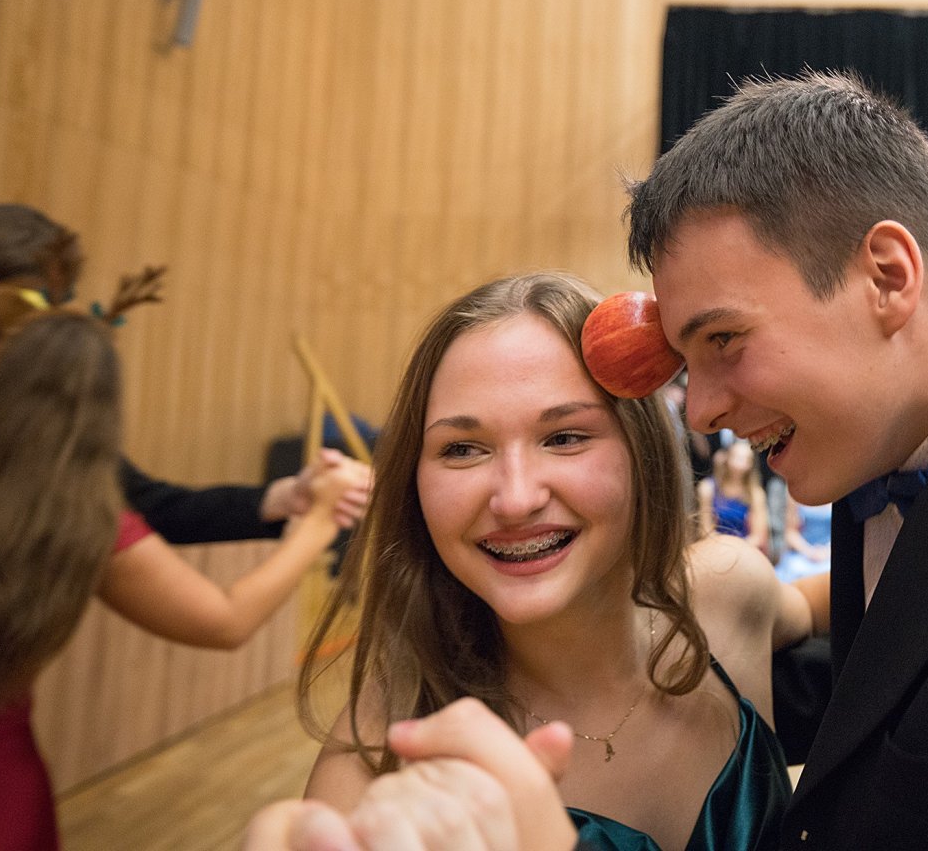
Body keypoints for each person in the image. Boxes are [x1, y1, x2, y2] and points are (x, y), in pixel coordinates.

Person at [249, 73, 928, 850]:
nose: (704, 409)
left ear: (887, 276)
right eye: (461, 447)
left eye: (724, 342)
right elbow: (915, 666)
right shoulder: (889, 431)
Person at [296, 273, 826, 851]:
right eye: (463, 449)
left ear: (642, 452)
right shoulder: (377, 765)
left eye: (565, 437)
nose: (515, 499)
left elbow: (845, 600)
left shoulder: (729, 591)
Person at [0, 296, 358, 851]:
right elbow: (224, 621)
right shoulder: (73, 518)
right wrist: (320, 524)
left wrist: (288, 497)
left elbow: (159, 503)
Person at [0, 203, 371, 542]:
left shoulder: (41, 418)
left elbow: (152, 507)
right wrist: (315, 527)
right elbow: (216, 607)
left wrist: (286, 497)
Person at [697, 439, 770, 554]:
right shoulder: (707, 488)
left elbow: (758, 536)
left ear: (751, 464)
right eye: (737, 457)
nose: (741, 463)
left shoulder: (756, 494)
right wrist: (726, 549)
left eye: (746, 459)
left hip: (744, 550)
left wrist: (735, 550)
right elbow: (704, 531)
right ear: (727, 458)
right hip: (714, 549)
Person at [774, 494, 831, 583]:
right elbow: (790, 532)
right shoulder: (795, 494)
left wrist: (827, 551)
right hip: (803, 552)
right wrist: (810, 552)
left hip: (829, 553)